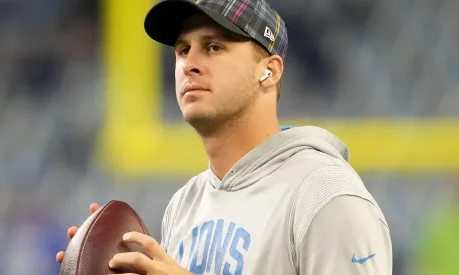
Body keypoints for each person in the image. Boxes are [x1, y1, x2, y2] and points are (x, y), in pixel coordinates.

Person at [56, 0, 393, 274]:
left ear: (269, 71)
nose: (190, 64)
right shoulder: (185, 204)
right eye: (183, 49)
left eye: (214, 47)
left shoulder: (325, 195)